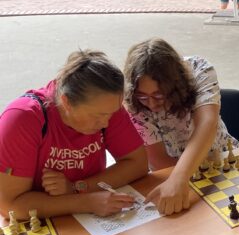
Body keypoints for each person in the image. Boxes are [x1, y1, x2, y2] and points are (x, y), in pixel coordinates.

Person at [123, 38, 239, 235]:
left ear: (176, 84)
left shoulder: (199, 69)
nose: (151, 104)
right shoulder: (131, 101)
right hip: (169, 173)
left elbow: (207, 124)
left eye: (159, 96)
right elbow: (158, 159)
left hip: (223, 163)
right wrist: (180, 181)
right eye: (143, 96)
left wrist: (182, 179)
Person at [0, 50, 149, 220]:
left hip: (87, 216)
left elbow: (138, 164)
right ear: (67, 102)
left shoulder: (106, 106)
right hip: (41, 221)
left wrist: (78, 187)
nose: (106, 123)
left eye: (111, 114)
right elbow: (9, 206)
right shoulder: (22, 119)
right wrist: (86, 202)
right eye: (97, 116)